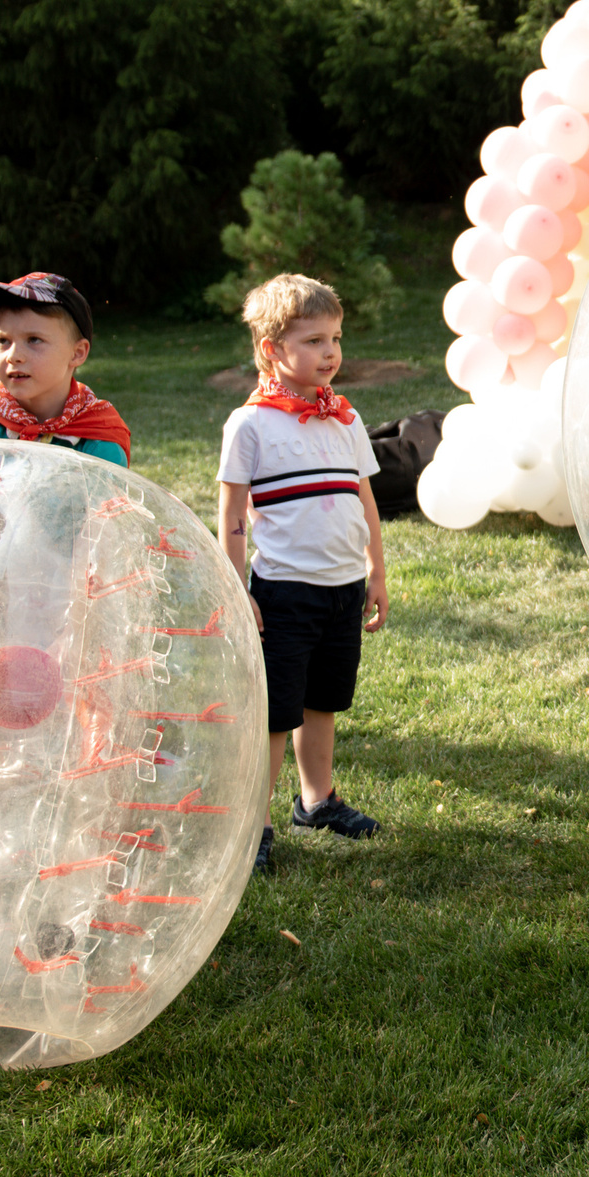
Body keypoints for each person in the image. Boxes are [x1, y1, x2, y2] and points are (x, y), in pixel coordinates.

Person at [218, 274, 390, 870]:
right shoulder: (251, 425)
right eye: (314, 340)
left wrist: (377, 571)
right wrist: (238, 589)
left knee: (323, 701)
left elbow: (364, 499)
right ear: (272, 349)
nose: (331, 352)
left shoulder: (345, 418)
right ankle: (255, 825)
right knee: (276, 712)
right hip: (284, 593)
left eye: (336, 338)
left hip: (343, 589)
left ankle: (316, 801)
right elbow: (233, 516)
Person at [0, 273, 131, 465]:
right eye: (3, 341)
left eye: (34, 340)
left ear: (77, 353)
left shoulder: (98, 444)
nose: (13, 356)